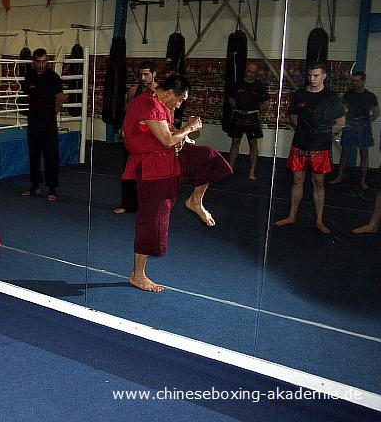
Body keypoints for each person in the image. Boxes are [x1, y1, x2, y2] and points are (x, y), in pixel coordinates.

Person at [122, 75, 232, 292]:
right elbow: (165, 140)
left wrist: (182, 137)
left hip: (168, 161)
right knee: (153, 221)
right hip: (152, 169)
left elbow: (167, 133)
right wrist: (189, 128)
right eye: (180, 100)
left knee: (209, 157)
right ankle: (138, 274)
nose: (180, 104)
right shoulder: (148, 104)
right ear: (170, 93)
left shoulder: (158, 103)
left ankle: (195, 201)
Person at [274, 62, 346, 234]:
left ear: (324, 76)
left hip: (320, 147)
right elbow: (292, 115)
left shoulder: (332, 98)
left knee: (318, 182)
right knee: (297, 180)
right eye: (310, 75)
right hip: (300, 144)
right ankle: (292, 215)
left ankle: (319, 221)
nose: (312, 79)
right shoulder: (299, 94)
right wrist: (304, 130)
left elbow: (341, 122)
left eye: (316, 75)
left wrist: (323, 134)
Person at [21, 48, 65, 201]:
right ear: (34, 62)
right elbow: (26, 94)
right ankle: (35, 185)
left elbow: (60, 97)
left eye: (43, 62)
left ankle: (52, 188)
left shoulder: (53, 77)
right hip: (33, 121)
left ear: (47, 61)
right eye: (38, 62)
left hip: (48, 123)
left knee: (51, 155)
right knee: (34, 155)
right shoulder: (29, 76)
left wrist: (53, 114)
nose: (41, 65)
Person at [114, 61, 157, 214]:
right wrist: (124, 129)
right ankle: (127, 204)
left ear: (154, 74)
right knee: (129, 170)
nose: (143, 78)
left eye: (146, 74)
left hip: (152, 138)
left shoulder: (160, 92)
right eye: (141, 74)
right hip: (134, 138)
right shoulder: (133, 91)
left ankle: (148, 206)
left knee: (149, 174)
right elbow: (129, 113)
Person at [329, 71, 379, 189]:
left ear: (363, 81)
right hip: (350, 123)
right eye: (353, 81)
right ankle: (340, 175)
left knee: (364, 154)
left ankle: (363, 179)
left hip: (363, 124)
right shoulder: (348, 94)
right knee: (345, 152)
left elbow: (376, 113)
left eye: (357, 81)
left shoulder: (370, 96)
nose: (355, 83)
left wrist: (366, 122)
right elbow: (342, 109)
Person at [227, 62, 270, 181]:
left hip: (253, 117)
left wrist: (255, 111)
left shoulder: (259, 86)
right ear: (246, 70)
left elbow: (266, 103)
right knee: (235, 142)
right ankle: (230, 167)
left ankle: (252, 171)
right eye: (249, 71)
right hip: (238, 116)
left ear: (256, 73)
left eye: (253, 72)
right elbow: (231, 100)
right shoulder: (238, 84)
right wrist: (239, 109)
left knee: (253, 143)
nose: (250, 74)